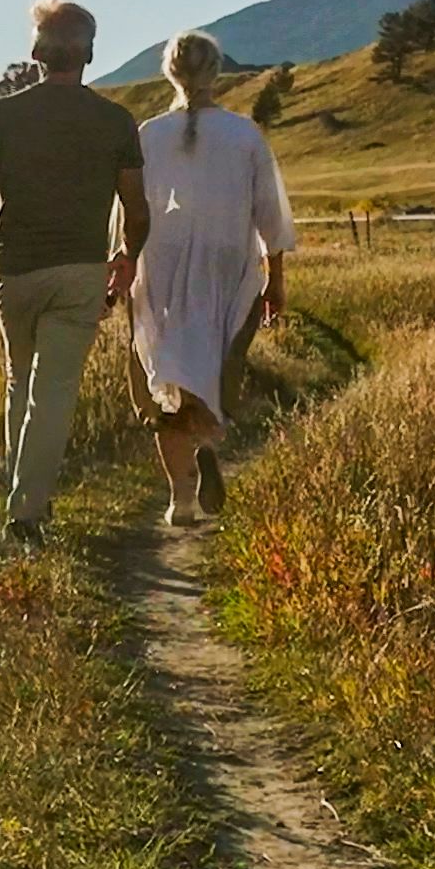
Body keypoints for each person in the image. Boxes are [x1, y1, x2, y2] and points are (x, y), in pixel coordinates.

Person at [0, 0, 145, 546]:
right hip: (81, 271)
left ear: (35, 52)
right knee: (54, 390)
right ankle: (27, 513)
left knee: (19, 383)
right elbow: (136, 207)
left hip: (15, 270)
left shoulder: (7, 115)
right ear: (89, 54)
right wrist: (127, 257)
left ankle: (22, 503)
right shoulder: (116, 121)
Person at [121, 32, 294, 529]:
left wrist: (123, 265)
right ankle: (207, 441)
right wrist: (275, 277)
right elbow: (270, 214)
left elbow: (128, 211)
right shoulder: (245, 136)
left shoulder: (147, 134)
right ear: (216, 73)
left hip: (162, 263)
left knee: (168, 374)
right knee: (218, 366)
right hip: (226, 263)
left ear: (169, 74)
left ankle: (180, 499)